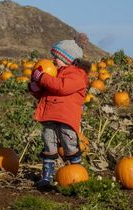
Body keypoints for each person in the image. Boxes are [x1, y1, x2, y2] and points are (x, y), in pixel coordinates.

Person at [28, 33, 91, 188]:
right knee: (48, 145)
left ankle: (78, 172)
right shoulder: (55, 75)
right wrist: (35, 87)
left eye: (56, 57)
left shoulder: (76, 75)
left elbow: (60, 87)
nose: (52, 60)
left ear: (68, 59)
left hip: (65, 119)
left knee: (69, 146)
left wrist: (42, 78)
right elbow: (45, 94)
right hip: (50, 117)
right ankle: (47, 177)